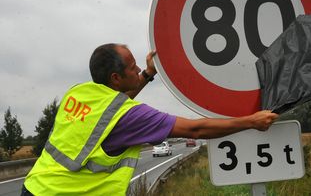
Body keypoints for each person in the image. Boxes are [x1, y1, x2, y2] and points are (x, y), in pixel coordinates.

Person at [22, 43, 278, 195]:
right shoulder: (131, 117)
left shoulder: (77, 93)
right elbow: (196, 129)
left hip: (35, 186)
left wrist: (147, 74)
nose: (137, 69)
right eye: (132, 67)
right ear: (115, 78)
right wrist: (250, 121)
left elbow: (114, 104)